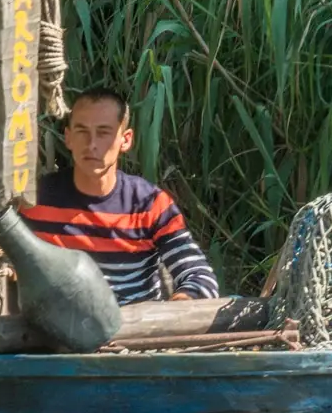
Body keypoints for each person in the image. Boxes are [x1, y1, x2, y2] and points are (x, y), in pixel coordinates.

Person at [19, 88, 218, 304]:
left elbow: (199, 277)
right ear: (68, 137)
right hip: (56, 329)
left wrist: (179, 306)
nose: (92, 144)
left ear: (125, 139)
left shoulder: (150, 204)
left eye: (104, 132)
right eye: (82, 131)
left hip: (140, 329)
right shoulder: (33, 201)